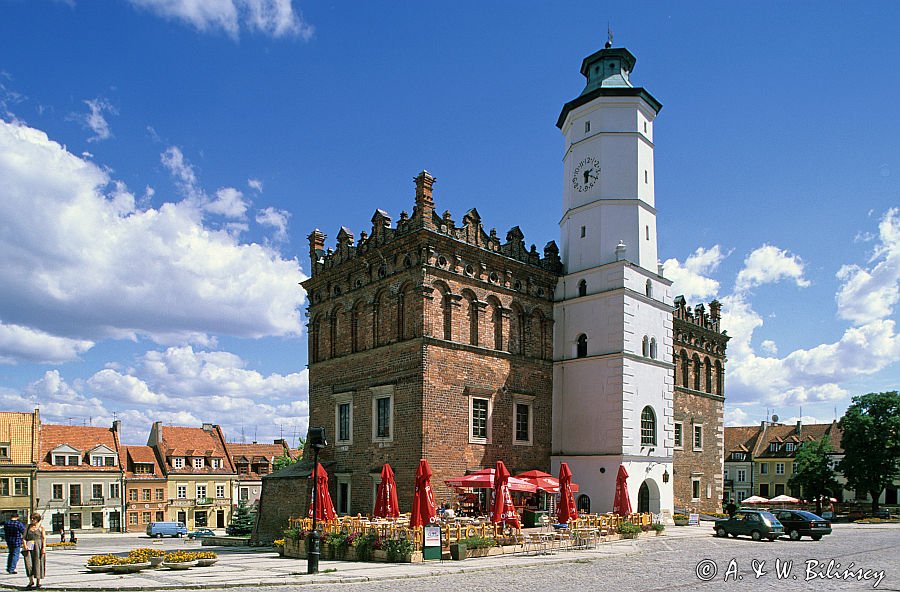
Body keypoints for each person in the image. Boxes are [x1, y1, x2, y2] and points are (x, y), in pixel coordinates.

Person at [23, 513, 45, 589]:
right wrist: (25, 545)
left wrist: (43, 548)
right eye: (31, 518)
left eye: (34, 518)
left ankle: (38, 582)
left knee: (38, 563)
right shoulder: (28, 527)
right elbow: (24, 537)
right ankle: (30, 580)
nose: (32, 520)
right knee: (28, 563)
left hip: (38, 546)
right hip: (29, 546)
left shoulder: (41, 528)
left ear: (37, 519)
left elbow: (43, 538)